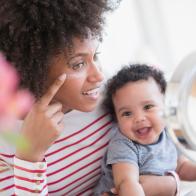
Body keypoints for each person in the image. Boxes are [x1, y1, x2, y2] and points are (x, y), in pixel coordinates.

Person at [0, 1, 179, 195]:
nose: (99, 76)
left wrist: (170, 184)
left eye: (96, 55)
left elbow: (160, 150)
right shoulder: (7, 140)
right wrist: (30, 157)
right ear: (35, 70)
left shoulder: (115, 99)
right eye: (78, 64)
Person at [94, 64, 196, 196]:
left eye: (148, 107)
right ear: (117, 119)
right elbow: (127, 183)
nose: (139, 118)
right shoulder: (123, 145)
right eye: (127, 113)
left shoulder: (168, 133)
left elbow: (181, 167)